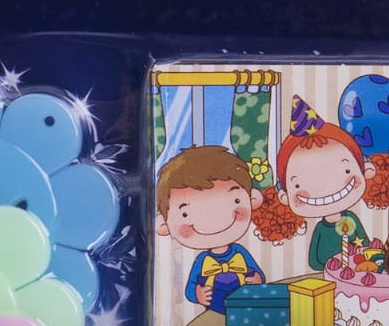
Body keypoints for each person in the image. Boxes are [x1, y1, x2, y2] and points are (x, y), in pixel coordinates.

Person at [156, 145, 265, 307]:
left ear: (252, 199)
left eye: (235, 200)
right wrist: (197, 294)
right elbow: (190, 287)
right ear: (164, 225)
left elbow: (258, 273)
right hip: (214, 310)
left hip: (244, 306)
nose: (214, 219)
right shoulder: (202, 260)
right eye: (185, 214)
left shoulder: (239, 252)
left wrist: (257, 279)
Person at [276, 123, 369, 271]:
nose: (328, 187)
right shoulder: (321, 228)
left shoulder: (351, 219)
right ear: (284, 196)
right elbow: (314, 261)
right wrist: (331, 266)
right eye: (300, 183)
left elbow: (366, 248)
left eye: (345, 171)